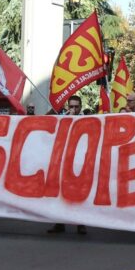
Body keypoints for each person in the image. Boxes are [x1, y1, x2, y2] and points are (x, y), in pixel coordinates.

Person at [47, 95, 88, 235]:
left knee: (78, 194)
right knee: (60, 194)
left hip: (79, 163)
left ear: (81, 107)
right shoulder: (62, 118)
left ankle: (80, 224)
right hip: (63, 161)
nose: (74, 109)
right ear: (67, 107)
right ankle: (59, 222)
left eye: (76, 107)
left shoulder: (87, 119)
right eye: (71, 106)